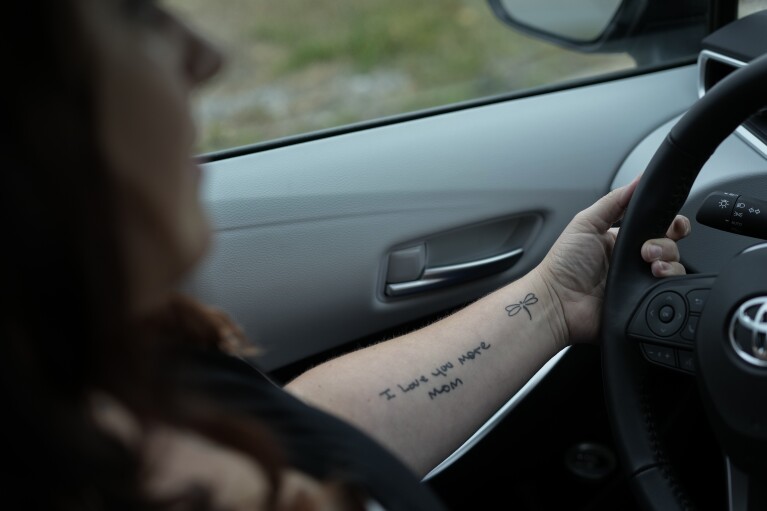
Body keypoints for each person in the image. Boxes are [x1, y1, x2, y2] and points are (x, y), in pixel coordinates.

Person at [0, 1, 691, 510]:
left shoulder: (109, 366)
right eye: (134, 13)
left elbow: (298, 427)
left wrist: (550, 301)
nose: (205, 58)